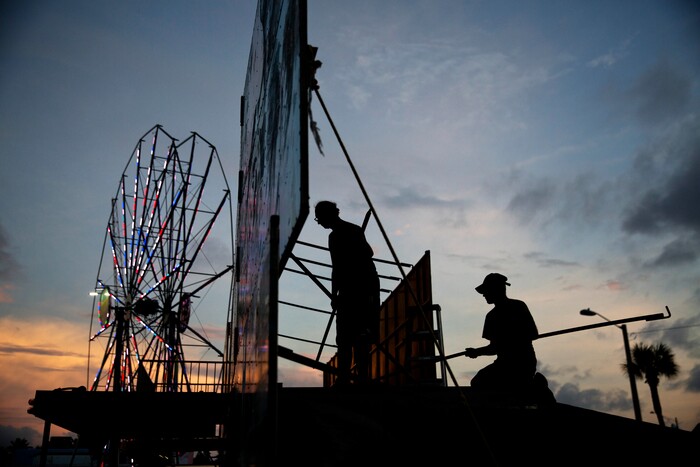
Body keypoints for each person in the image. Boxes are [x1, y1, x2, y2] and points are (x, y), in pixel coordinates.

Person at [315, 200, 380, 386]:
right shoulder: (336, 236)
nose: (319, 222)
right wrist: (335, 294)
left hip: (362, 288)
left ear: (329, 215)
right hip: (348, 290)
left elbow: (368, 254)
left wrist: (351, 264)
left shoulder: (351, 231)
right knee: (344, 337)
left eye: (319, 219)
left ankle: (360, 378)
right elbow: (336, 267)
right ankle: (345, 377)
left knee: (360, 336)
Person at [464, 272, 539, 394]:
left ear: (495, 290)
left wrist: (511, 340)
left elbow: (533, 334)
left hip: (523, 364)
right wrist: (477, 352)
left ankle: (534, 388)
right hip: (504, 364)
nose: (483, 295)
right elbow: (494, 348)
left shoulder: (518, 306)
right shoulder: (491, 316)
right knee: (479, 381)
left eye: (486, 291)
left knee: (480, 383)